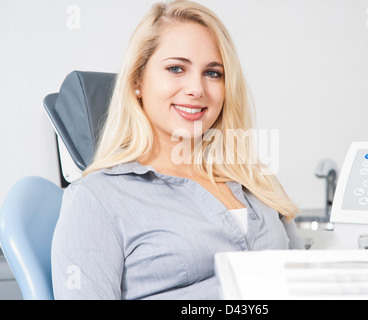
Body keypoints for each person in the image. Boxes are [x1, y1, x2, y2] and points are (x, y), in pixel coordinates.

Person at [51, 0, 304, 300]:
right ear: (137, 81)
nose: (196, 88)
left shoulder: (256, 180)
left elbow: (303, 281)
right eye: (176, 68)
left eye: (213, 73)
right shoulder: (96, 200)